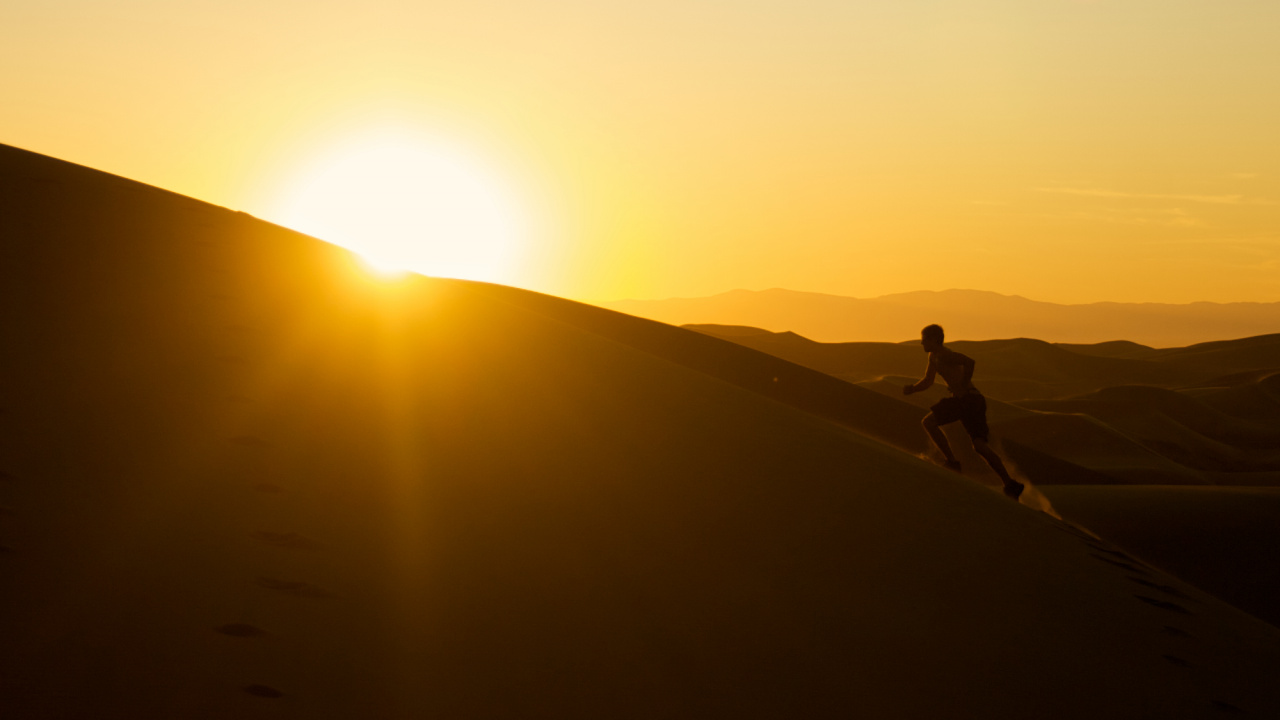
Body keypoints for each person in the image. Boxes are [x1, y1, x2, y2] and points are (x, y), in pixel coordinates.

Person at [903, 324, 1025, 500]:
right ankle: (1010, 484)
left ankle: (952, 463)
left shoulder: (945, 355)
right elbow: (928, 381)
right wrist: (913, 389)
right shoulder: (933, 357)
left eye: (924, 340)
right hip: (969, 400)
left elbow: (969, 361)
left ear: (934, 340)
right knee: (979, 446)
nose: (922, 343)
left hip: (968, 399)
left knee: (929, 423)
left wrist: (963, 383)